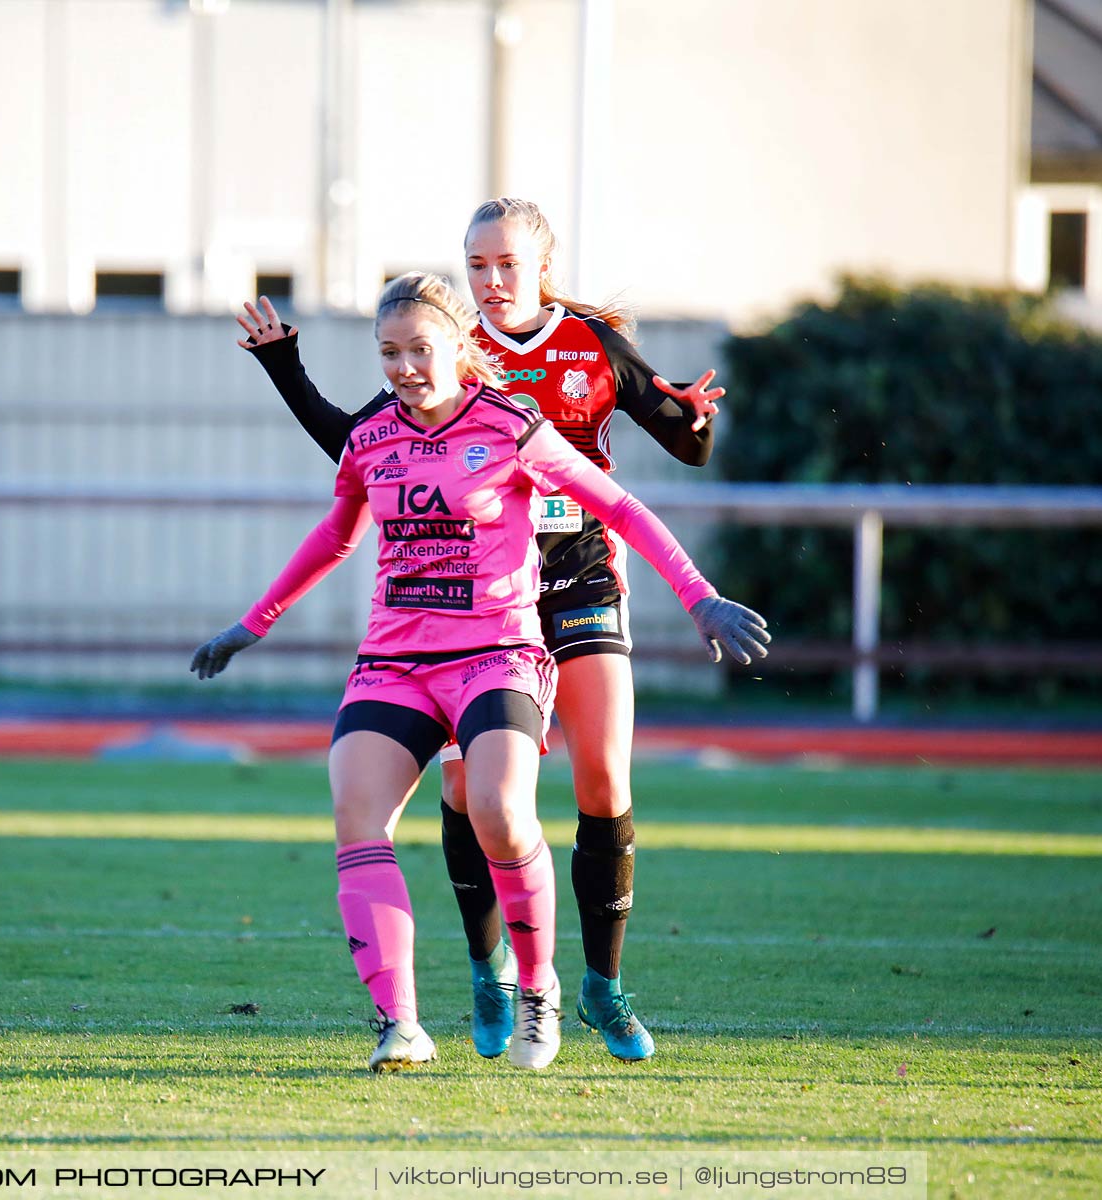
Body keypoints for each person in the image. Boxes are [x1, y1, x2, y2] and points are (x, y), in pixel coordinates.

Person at [194, 272, 767, 1073]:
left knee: (497, 809)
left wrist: (699, 597)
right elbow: (336, 536)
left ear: (460, 349)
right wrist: (249, 625)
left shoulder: (510, 425)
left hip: (496, 654)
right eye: (387, 353)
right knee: (357, 817)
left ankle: (539, 991)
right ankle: (401, 1024)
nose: (402, 367)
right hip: (394, 663)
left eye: (418, 349)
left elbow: (621, 507)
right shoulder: (372, 438)